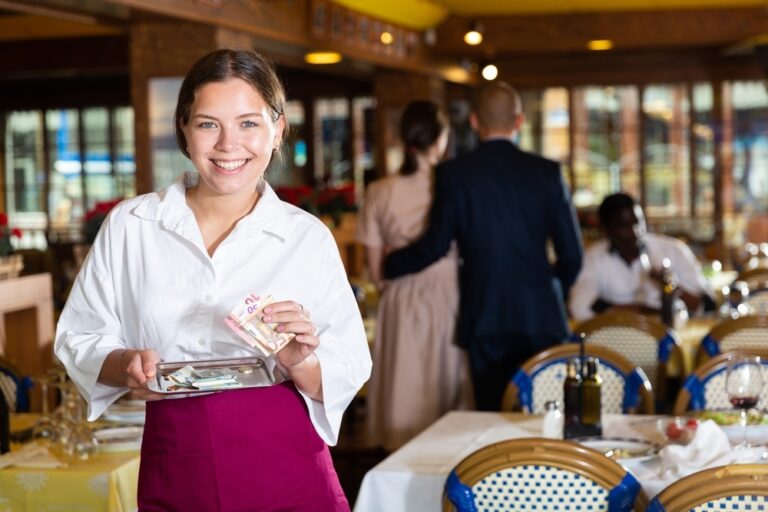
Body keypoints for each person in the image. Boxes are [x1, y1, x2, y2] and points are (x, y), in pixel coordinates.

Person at [54, 49, 371, 511]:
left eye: (248, 123)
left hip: (287, 464)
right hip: (176, 460)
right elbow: (80, 336)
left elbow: (349, 367)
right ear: (183, 128)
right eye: (208, 124)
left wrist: (300, 361)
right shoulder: (132, 225)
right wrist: (125, 363)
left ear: (277, 128)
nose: (228, 144)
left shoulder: (306, 237)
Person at [383, 82, 583, 411]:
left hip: (485, 314)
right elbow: (572, 256)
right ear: (519, 122)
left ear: (475, 121)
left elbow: (435, 245)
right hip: (542, 315)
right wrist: (547, 288)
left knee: (492, 417)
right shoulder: (548, 173)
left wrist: (391, 265)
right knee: (547, 416)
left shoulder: (455, 174)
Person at [356, 100, 472, 451]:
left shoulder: (379, 191)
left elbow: (375, 272)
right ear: (439, 140)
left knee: (403, 384)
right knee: (444, 385)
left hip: (400, 297)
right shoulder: (455, 187)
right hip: (450, 293)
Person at [569, 192, 714, 322]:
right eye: (624, 226)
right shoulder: (594, 257)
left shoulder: (673, 250)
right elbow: (580, 308)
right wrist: (644, 312)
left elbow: (708, 305)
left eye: (638, 222)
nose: (635, 232)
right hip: (616, 342)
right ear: (606, 229)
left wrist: (672, 286)